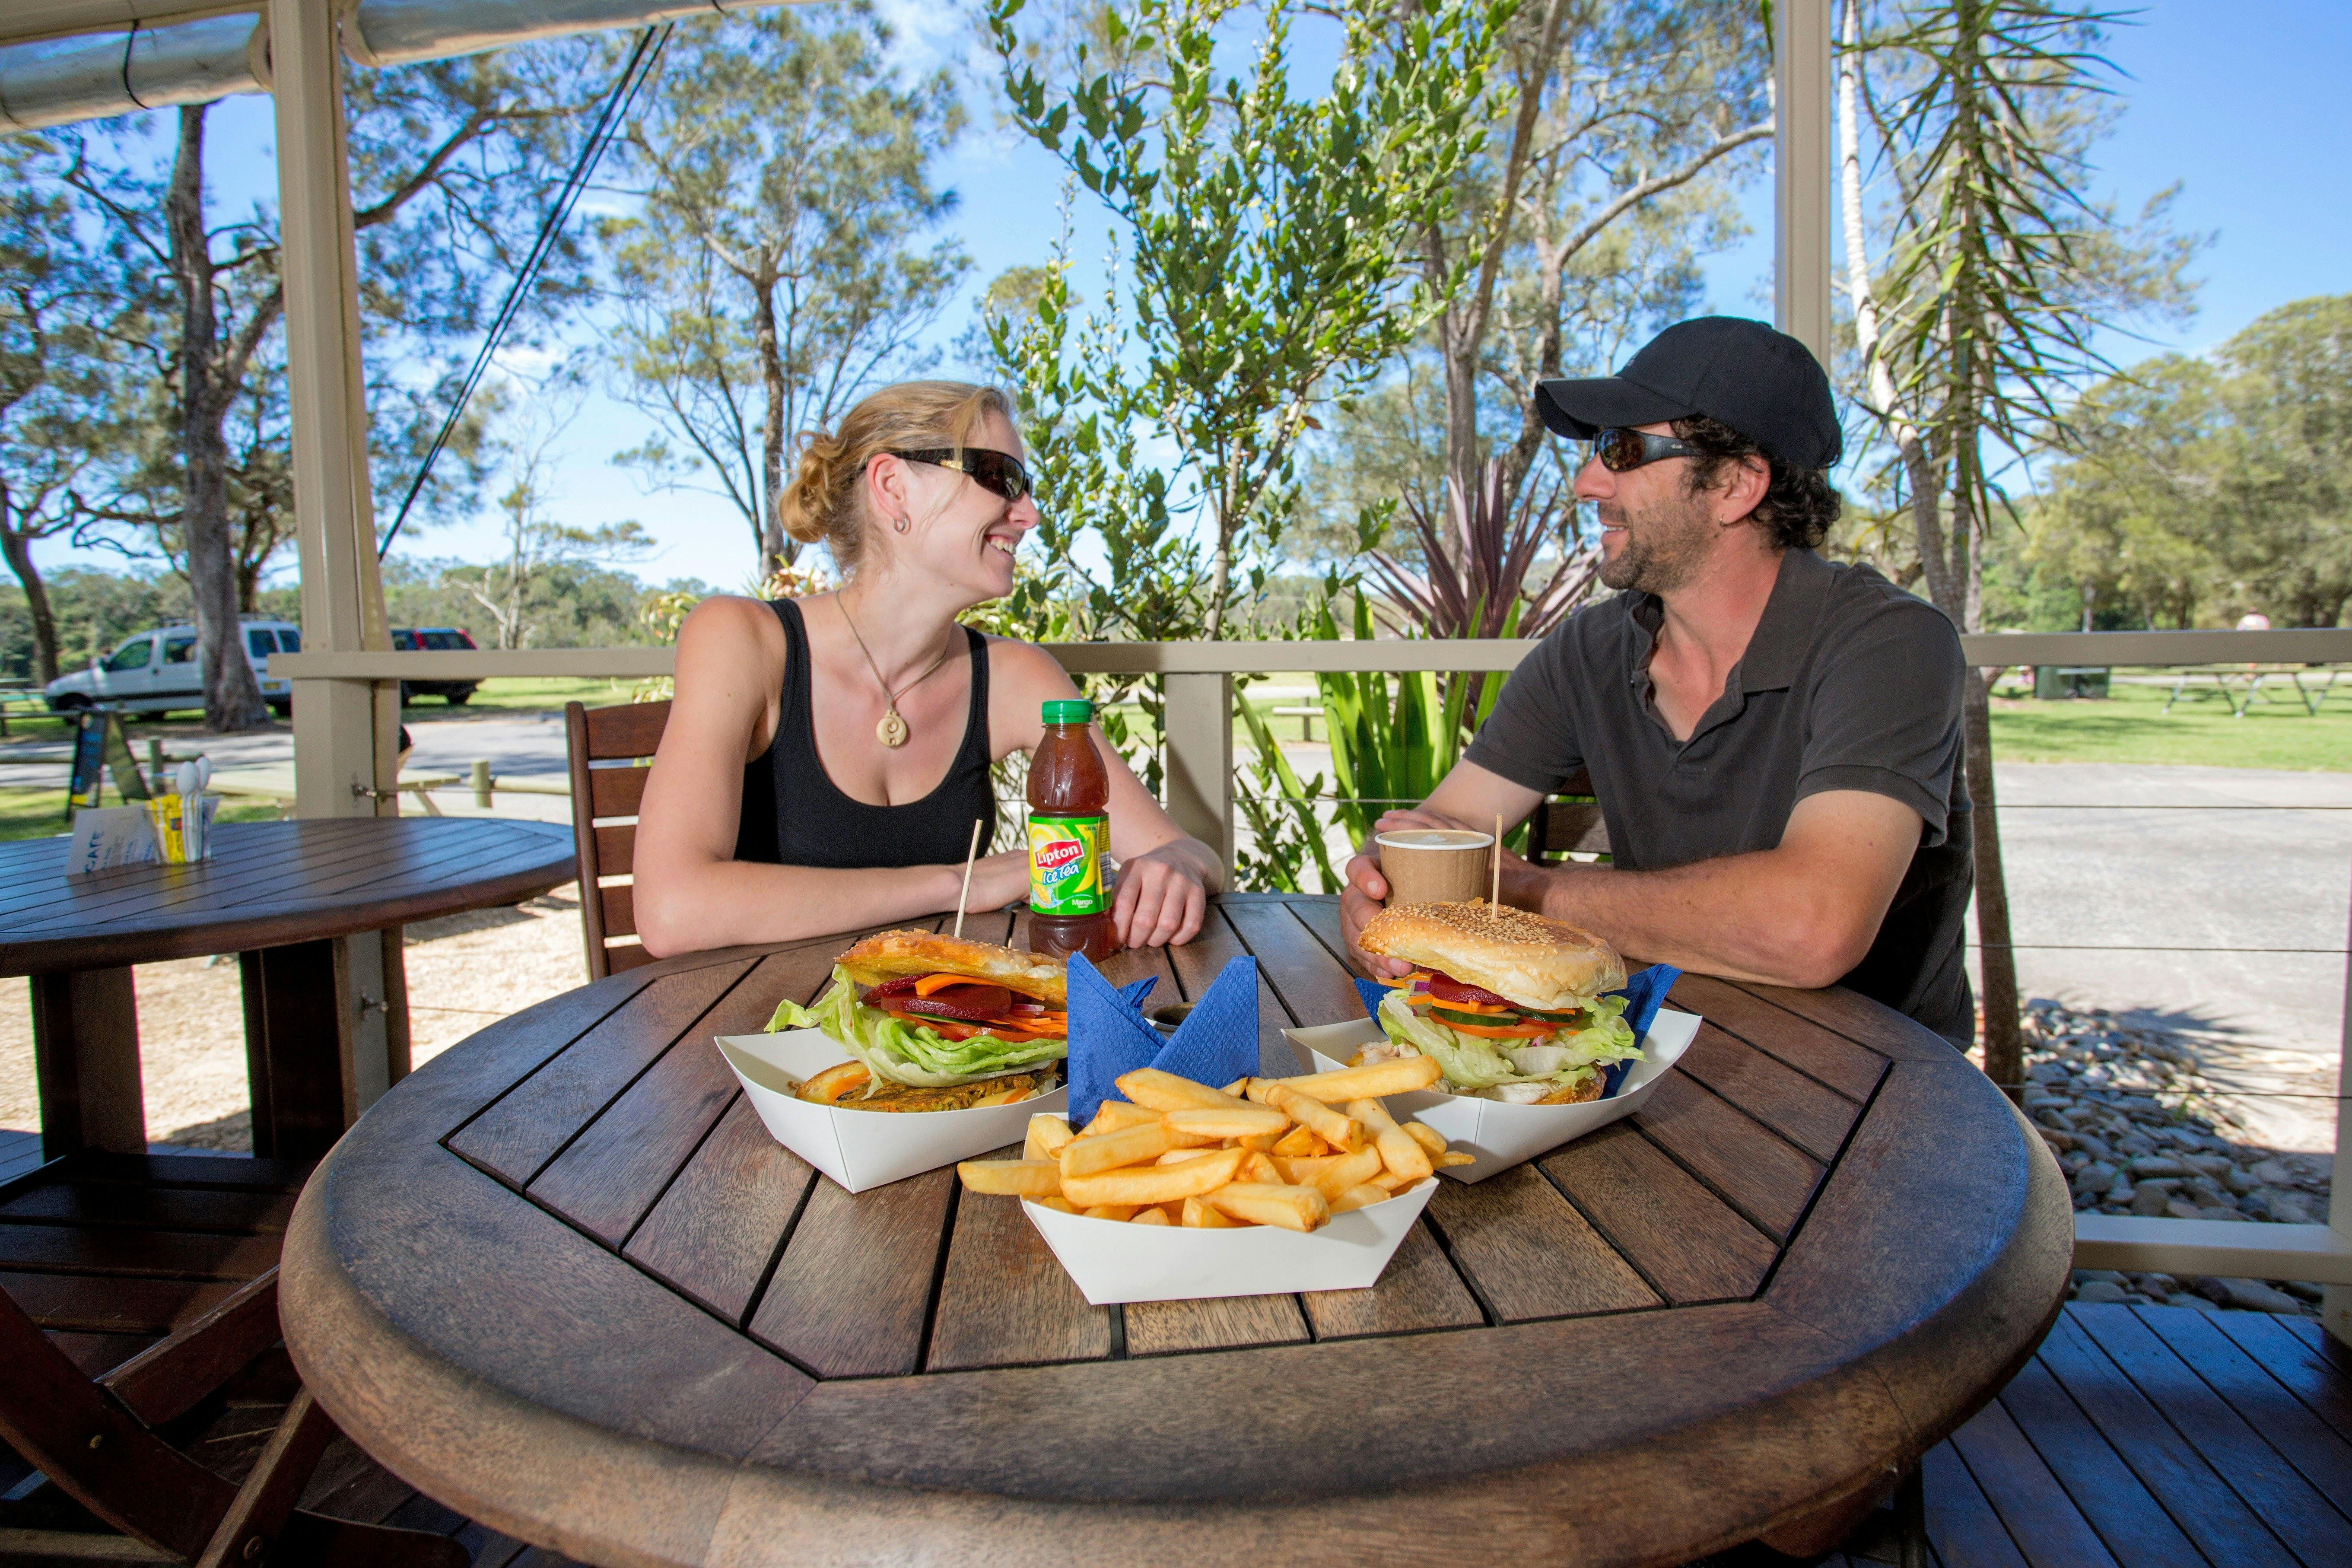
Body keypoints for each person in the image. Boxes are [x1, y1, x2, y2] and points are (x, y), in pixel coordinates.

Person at [1340, 318, 1975, 1046]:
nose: (1587, 483)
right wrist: (1383, 886)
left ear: (1736, 483)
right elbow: (1444, 826)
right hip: (1663, 1053)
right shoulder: (1589, 649)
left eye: (1624, 449)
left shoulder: (1891, 644)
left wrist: (1527, 890)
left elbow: (1812, 928)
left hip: (1881, 1087)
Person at [633, 380, 1221, 956]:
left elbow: (1186, 851)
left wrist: (1175, 865)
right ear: (892, 487)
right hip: (751, 1032)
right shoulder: (743, 641)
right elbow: (671, 911)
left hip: (938, 1030)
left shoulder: (1013, 674)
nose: (1031, 514)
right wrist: (961, 883)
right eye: (1001, 478)